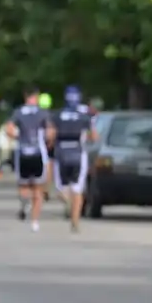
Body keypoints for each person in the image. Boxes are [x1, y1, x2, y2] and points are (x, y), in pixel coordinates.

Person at [49, 86, 95, 232]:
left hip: (61, 152)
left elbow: (50, 135)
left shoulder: (57, 115)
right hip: (78, 152)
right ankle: (75, 221)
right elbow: (93, 136)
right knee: (78, 189)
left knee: (61, 189)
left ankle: (67, 201)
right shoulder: (84, 116)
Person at [6, 89, 50, 231]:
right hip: (38, 152)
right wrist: (48, 142)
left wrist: (17, 138)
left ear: (25, 97)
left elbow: (9, 129)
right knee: (38, 188)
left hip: (23, 151)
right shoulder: (43, 113)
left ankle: (25, 204)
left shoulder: (18, 112)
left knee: (23, 185)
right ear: (36, 97)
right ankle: (35, 222)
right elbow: (50, 132)